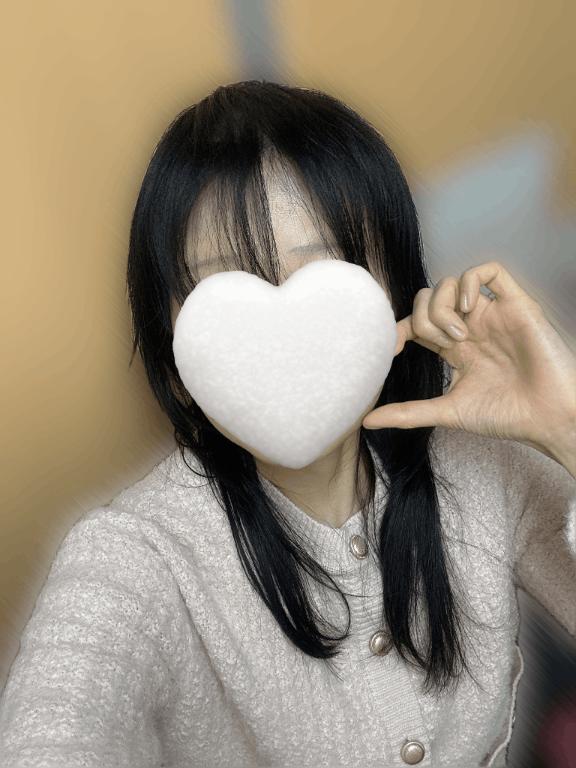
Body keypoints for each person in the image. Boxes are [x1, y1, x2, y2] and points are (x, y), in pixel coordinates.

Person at [0, 80, 574, 768]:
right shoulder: (136, 556)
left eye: (322, 271)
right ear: (171, 342)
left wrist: (566, 427)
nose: (283, 334)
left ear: (396, 295)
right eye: (222, 287)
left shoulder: (485, 466)